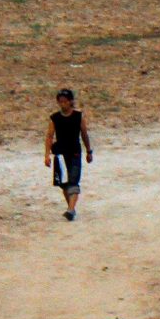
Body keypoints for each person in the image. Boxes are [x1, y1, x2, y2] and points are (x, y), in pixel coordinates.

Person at [46, 87, 92, 220]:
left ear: (70, 101)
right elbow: (49, 136)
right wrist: (47, 155)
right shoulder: (54, 118)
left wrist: (89, 151)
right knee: (63, 184)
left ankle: (71, 209)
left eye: (65, 101)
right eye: (60, 102)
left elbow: (84, 135)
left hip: (74, 153)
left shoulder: (78, 117)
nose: (63, 104)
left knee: (73, 181)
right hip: (60, 155)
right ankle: (71, 209)